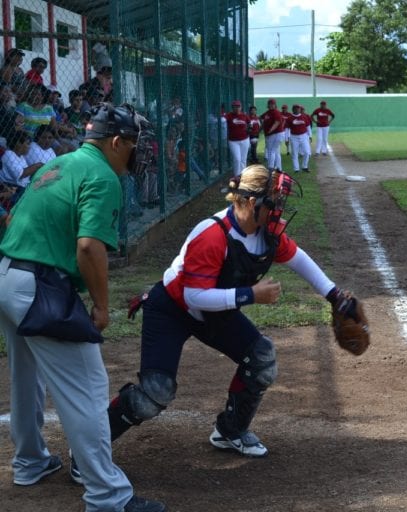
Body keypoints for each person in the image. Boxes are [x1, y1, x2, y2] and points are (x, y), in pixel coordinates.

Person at [106, 164, 362, 459]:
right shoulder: (212, 235)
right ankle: (91, 448)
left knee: (262, 359)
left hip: (213, 310)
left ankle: (230, 430)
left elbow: (298, 258)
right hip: (172, 309)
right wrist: (250, 294)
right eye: (274, 203)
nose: (279, 210)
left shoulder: (265, 233)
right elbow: (194, 295)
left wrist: (334, 296)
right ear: (251, 202)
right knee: (155, 393)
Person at [0, 102, 166, 512]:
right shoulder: (101, 175)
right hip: (38, 286)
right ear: (114, 142)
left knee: (27, 375)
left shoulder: (58, 164)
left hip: (7, 274)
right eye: (132, 143)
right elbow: (90, 247)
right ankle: (107, 496)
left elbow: (10, 222)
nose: (136, 152)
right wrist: (102, 307)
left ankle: (29, 462)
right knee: (89, 386)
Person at [224, 99, 250, 176]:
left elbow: (250, 123)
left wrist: (249, 129)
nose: (237, 108)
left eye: (238, 106)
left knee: (243, 159)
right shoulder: (229, 115)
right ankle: (237, 176)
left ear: (241, 107)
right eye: (235, 106)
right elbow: (222, 119)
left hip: (245, 139)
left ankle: (243, 176)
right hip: (233, 141)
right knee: (237, 159)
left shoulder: (244, 115)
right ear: (232, 108)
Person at [287, 104, 312, 173]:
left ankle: (304, 166)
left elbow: (308, 127)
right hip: (294, 137)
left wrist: (310, 136)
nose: (297, 110)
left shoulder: (304, 117)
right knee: (295, 153)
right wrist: (287, 138)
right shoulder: (290, 118)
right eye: (296, 108)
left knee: (307, 152)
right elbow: (287, 129)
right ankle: (296, 169)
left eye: (298, 108)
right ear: (293, 109)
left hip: (304, 136)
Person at [260, 98, 284, 171]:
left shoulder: (276, 112)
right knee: (276, 151)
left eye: (272, 104)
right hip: (271, 134)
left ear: (275, 105)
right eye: (270, 104)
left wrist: (270, 130)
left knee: (271, 150)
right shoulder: (267, 113)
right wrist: (261, 127)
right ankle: (278, 168)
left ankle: (270, 167)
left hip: (276, 134)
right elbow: (260, 118)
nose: (271, 105)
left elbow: (277, 122)